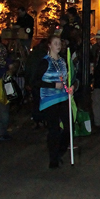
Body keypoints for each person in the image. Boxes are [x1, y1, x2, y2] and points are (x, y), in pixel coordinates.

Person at [37, 34, 76, 168]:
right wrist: (53, 85)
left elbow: (69, 78)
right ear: (49, 45)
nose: (58, 46)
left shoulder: (63, 61)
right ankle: (53, 158)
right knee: (53, 129)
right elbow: (35, 81)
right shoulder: (45, 62)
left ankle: (60, 151)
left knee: (69, 126)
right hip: (50, 99)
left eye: (59, 43)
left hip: (63, 97)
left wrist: (72, 87)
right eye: (55, 43)